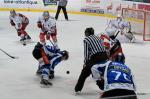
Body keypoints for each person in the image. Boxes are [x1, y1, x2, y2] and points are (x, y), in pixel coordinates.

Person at [74, 27, 107, 92]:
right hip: (104, 56)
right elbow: (103, 48)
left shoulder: (86, 39)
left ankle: (77, 89)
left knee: (84, 72)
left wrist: (86, 63)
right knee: (102, 72)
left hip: (96, 57)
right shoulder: (99, 38)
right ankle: (106, 86)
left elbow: (86, 53)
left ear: (87, 33)